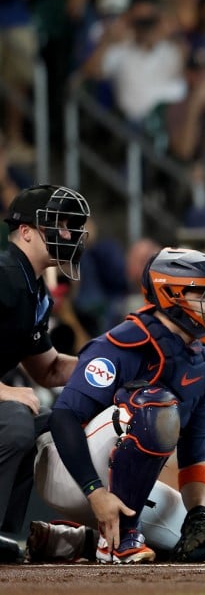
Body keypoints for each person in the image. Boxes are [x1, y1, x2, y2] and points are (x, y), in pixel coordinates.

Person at [30, 248, 205, 563]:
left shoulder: (201, 361)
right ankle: (121, 539)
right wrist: (95, 493)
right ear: (172, 294)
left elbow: (194, 453)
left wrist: (197, 514)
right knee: (155, 405)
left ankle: (70, 541)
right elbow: (64, 418)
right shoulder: (122, 344)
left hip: (119, 484)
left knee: (200, 542)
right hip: (68, 471)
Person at [0, 184, 90, 562]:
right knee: (17, 420)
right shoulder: (3, 274)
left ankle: (5, 533)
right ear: (25, 231)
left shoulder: (34, 288)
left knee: (53, 424)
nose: (68, 235)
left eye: (71, 227)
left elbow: (48, 369)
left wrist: (108, 365)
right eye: (59, 225)